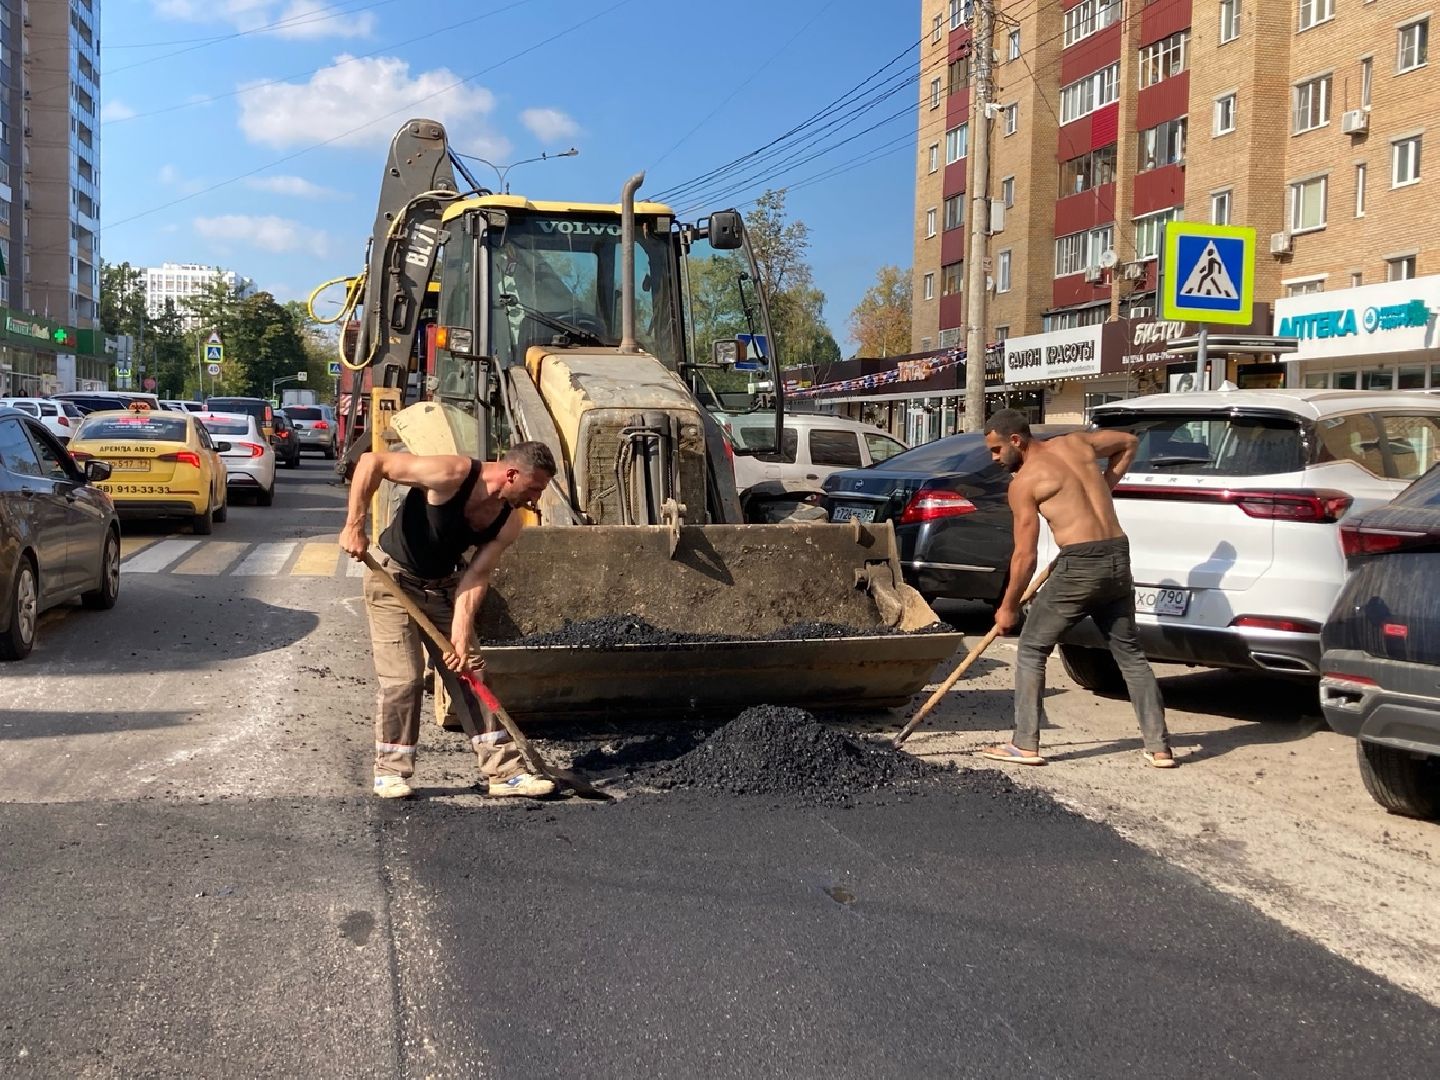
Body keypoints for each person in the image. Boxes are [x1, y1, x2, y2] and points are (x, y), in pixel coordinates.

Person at [339, 441, 560, 799]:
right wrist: (354, 525)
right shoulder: (451, 474)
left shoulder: (508, 522)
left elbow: (476, 576)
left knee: (471, 672)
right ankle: (390, 773)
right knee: (404, 680)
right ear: (511, 474)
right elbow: (371, 461)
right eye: (534, 488)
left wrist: (459, 635)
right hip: (393, 581)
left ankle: (505, 773)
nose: (536, 498)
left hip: (444, 587)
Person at [981, 410, 1175, 769]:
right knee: (1130, 654)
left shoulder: (1024, 483)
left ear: (1016, 441)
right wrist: (1104, 485)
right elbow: (1129, 443)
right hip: (1117, 554)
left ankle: (1024, 745)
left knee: (1032, 648)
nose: (994, 458)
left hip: (1080, 564)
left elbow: (1024, 556)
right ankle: (1159, 747)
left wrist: (1007, 607)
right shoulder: (1077, 443)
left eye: (996, 450)